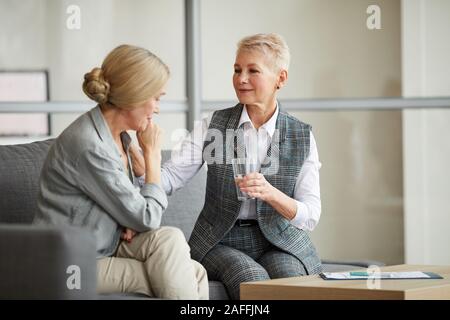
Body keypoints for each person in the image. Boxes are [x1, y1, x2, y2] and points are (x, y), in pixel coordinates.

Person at [33, 44, 208, 300]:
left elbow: (134, 210)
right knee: (182, 276)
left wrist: (128, 218)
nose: (158, 108)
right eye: (156, 98)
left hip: (106, 246)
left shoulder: (121, 138)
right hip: (70, 262)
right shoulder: (89, 145)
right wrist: (152, 157)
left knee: (190, 263)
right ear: (135, 96)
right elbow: (147, 217)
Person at [161, 34, 322, 299]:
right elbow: (171, 177)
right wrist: (142, 174)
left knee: (292, 281)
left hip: (279, 240)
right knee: (252, 280)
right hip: (220, 240)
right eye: (237, 70)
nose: (241, 79)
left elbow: (311, 214)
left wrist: (271, 193)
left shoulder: (301, 135)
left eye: (252, 71)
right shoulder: (213, 126)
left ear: (280, 78)